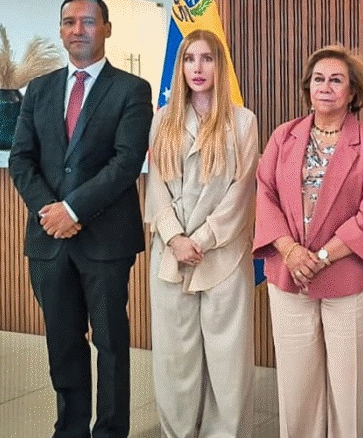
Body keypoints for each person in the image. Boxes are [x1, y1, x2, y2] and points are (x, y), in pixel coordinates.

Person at [9, 0, 153, 438]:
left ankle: (110, 431)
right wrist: (50, 211)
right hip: (48, 241)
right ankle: (70, 429)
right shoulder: (39, 89)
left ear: (106, 28)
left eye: (88, 21)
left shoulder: (132, 89)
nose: (78, 30)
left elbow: (126, 163)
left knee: (110, 344)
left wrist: (73, 209)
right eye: (69, 22)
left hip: (106, 240)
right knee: (63, 341)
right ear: (60, 30)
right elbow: (21, 159)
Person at [254, 45, 363, 438]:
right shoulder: (283, 136)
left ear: (353, 92)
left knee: (350, 390)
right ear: (308, 87)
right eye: (319, 79)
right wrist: (290, 251)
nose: (326, 87)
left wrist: (317, 257)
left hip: (351, 278)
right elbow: (264, 195)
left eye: (336, 80)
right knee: (296, 387)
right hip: (290, 275)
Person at [145, 29, 258, 438]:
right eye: (190, 59)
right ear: (180, 67)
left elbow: (242, 191)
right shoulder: (163, 119)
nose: (197, 67)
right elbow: (156, 184)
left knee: (228, 361)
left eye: (206, 58)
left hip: (222, 254)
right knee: (175, 358)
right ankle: (177, 432)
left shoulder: (243, 121)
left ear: (219, 65)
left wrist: (204, 239)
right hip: (172, 253)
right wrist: (175, 238)